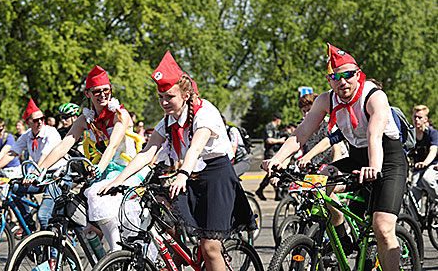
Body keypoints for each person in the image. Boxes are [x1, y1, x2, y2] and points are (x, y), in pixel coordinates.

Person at [100, 51, 255, 271]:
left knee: (211, 248)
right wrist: (116, 180)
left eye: (169, 97)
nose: (163, 102)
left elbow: (196, 147)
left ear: (185, 94)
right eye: (160, 97)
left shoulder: (205, 112)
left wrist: (182, 174)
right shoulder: (168, 121)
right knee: (157, 204)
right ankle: (179, 256)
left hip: (216, 177)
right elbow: (146, 153)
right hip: (190, 175)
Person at [262, 43, 407, 271]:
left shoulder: (373, 96)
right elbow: (300, 133)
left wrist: (374, 168)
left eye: (348, 75)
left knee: (383, 228)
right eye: (335, 77)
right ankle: (342, 235)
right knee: (318, 183)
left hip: (387, 158)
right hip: (358, 156)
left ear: (358, 74)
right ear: (329, 80)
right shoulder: (326, 100)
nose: (343, 82)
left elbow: (374, 135)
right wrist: (278, 160)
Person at [35, 65, 144, 253]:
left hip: (128, 171)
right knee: (83, 221)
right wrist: (39, 170)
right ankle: (106, 258)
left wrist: (99, 168)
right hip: (103, 172)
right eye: (96, 92)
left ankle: (116, 254)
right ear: (88, 94)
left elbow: (113, 145)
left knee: (95, 194)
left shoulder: (120, 114)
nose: (102, 95)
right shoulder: (86, 119)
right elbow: (63, 146)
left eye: (106, 90)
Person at [0, 99, 66, 237]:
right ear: (28, 122)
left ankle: (50, 253)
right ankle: (29, 224)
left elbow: (44, 157)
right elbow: (11, 153)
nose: (40, 122)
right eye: (35, 120)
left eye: (42, 118)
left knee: (43, 216)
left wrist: (33, 173)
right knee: (14, 189)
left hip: (56, 177)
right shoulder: (27, 136)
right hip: (41, 176)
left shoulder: (50, 132)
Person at [409, 105, 438, 204]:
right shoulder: (410, 135)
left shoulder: (432, 133)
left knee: (427, 179)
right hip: (418, 168)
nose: (416, 120)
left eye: (420, 117)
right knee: (413, 190)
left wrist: (425, 163)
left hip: (433, 165)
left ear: (425, 119)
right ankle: (414, 219)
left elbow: (433, 151)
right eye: (415, 117)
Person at [256, 113, 286, 200]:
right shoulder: (269, 126)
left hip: (275, 152)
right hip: (270, 152)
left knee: (271, 173)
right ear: (278, 119)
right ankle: (275, 193)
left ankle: (262, 189)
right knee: (272, 172)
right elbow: (269, 140)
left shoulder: (275, 128)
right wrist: (280, 140)